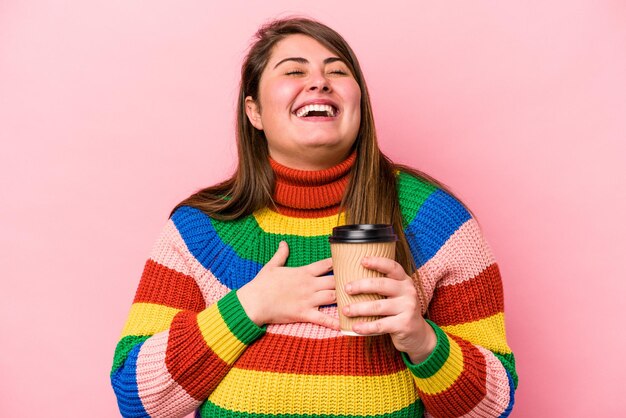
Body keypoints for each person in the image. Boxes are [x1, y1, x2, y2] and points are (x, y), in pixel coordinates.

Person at [110, 17, 518, 418]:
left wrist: (424, 341)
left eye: (337, 71)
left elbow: (492, 405)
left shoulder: (434, 219)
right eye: (293, 71)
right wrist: (248, 307)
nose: (319, 82)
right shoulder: (200, 228)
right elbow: (138, 399)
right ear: (254, 112)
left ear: (358, 101)